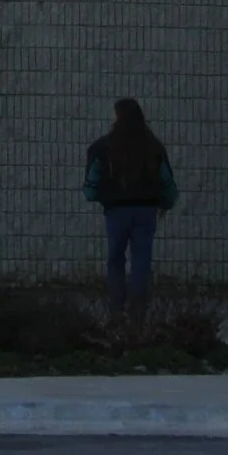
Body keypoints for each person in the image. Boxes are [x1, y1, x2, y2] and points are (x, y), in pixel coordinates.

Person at [83, 98, 177, 317]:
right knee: (141, 261)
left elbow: (91, 183)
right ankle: (138, 312)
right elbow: (166, 182)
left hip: (117, 210)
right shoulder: (153, 146)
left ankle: (116, 311)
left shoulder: (103, 147)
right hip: (146, 210)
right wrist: (166, 202)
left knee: (115, 259)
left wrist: (96, 195)